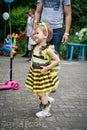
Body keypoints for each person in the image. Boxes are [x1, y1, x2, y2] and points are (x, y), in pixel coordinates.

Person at [25, 22, 60, 118]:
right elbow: (33, 58)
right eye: (35, 33)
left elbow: (56, 60)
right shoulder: (35, 46)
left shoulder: (47, 49)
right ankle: (47, 98)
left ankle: (46, 110)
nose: (35, 35)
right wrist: (31, 67)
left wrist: (47, 68)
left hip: (42, 74)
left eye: (37, 33)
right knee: (38, 91)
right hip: (35, 73)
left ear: (45, 35)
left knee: (41, 92)